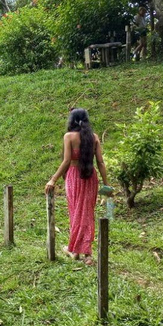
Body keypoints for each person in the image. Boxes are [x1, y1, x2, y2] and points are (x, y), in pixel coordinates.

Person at [45, 108, 110, 266]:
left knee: (75, 212)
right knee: (87, 213)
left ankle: (74, 250)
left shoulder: (69, 137)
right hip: (90, 178)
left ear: (72, 120)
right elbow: (100, 162)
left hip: (74, 177)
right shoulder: (93, 137)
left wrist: (53, 180)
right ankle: (86, 253)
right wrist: (107, 185)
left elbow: (67, 161)